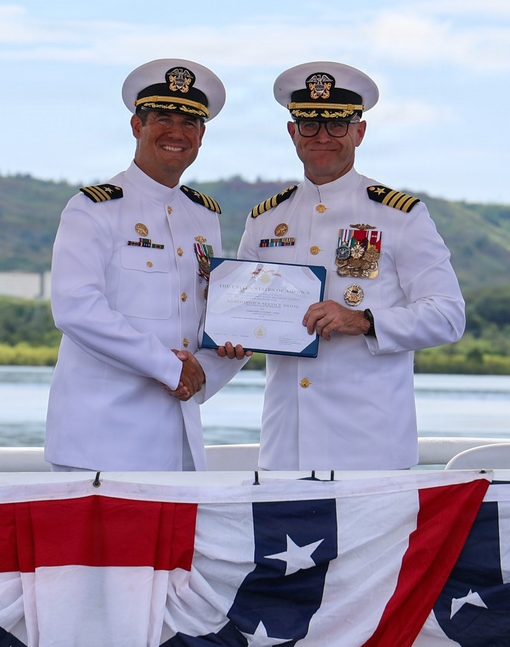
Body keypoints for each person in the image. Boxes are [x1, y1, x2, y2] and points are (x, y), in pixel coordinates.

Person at [237, 61, 465, 470]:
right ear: (293, 132)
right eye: (309, 124)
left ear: (359, 132)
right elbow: (240, 318)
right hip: (284, 448)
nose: (323, 136)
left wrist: (363, 321)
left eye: (337, 124)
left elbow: (448, 316)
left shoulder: (400, 215)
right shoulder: (265, 220)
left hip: (369, 449)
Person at [45, 58, 248, 472]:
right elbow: (75, 308)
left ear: (202, 135)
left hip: (179, 436)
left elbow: (213, 315)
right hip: (100, 439)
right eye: (162, 118)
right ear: (137, 126)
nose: (176, 132)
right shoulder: (94, 208)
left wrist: (206, 369)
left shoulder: (203, 216)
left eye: (189, 123)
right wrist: (170, 367)